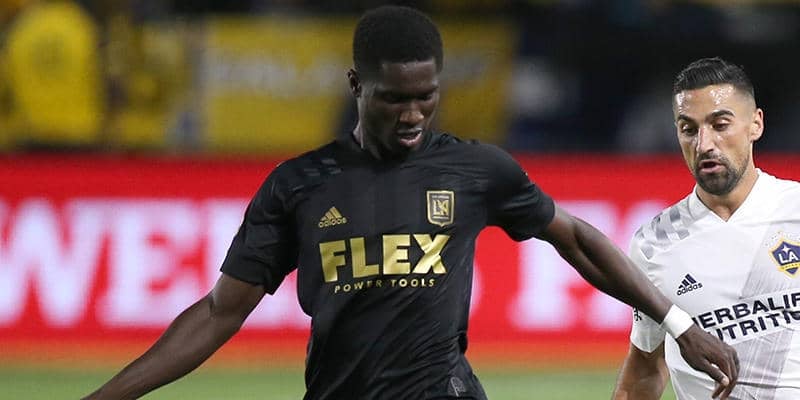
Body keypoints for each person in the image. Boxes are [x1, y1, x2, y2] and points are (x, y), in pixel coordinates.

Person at [83, 7, 738, 400]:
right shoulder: (299, 185)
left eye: (426, 96)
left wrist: (678, 324)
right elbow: (217, 313)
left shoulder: (476, 170)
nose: (413, 114)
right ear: (356, 85)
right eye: (394, 98)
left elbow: (576, 238)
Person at [612, 57, 800, 400]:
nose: (704, 144)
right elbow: (645, 369)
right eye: (688, 129)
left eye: (720, 125)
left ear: (755, 124)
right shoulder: (654, 245)